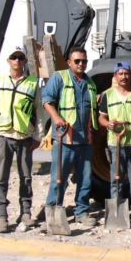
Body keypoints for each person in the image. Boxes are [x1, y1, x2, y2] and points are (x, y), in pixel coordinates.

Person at [0, 47, 44, 233]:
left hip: (24, 137)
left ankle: (25, 213)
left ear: (25, 61)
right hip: (3, 137)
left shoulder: (33, 83)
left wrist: (38, 136)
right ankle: (2, 216)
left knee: (25, 178)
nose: (17, 61)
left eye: (20, 58)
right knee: (2, 178)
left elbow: (39, 112)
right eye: (14, 58)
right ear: (8, 61)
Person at [43, 47, 99, 227]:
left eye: (84, 61)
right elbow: (47, 101)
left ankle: (81, 211)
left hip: (85, 139)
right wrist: (57, 118)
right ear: (69, 62)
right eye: (77, 61)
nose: (81, 64)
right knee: (59, 177)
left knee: (85, 178)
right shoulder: (59, 78)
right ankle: (52, 211)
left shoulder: (90, 83)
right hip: (64, 138)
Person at [98, 61, 131, 227]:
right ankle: (116, 212)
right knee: (116, 179)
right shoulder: (108, 95)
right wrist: (107, 124)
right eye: (120, 73)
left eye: (126, 73)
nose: (123, 76)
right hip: (115, 143)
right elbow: (101, 117)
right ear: (115, 76)